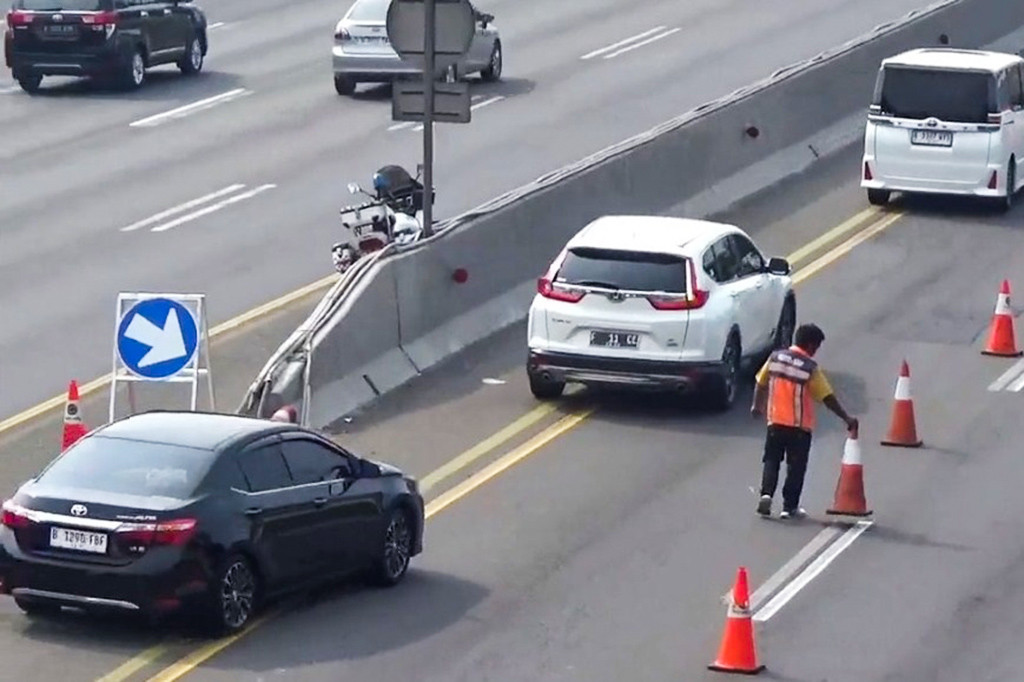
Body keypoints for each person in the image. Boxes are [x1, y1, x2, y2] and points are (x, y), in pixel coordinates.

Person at [750, 323, 858, 519]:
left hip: (775, 422)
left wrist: (756, 406)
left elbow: (760, 382)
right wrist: (846, 418)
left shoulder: (775, 357)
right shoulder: (809, 368)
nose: (815, 352)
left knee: (771, 460)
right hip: (799, 427)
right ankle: (789, 507)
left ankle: (766, 495)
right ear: (810, 345)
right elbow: (827, 397)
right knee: (796, 468)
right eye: (816, 347)